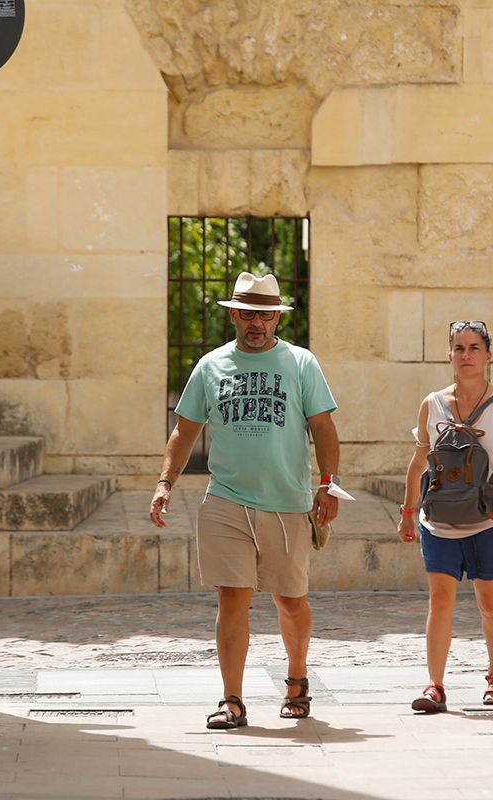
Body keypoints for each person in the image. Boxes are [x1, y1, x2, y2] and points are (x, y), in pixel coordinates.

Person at [149, 271, 341, 730]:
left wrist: (328, 484)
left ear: (277, 316)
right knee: (231, 599)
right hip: (226, 500)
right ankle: (231, 700)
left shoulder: (300, 363)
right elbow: (185, 429)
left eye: (265, 313)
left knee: (290, 599)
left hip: (287, 503)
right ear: (233, 314)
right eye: (248, 313)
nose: (257, 322)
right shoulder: (211, 365)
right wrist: (164, 482)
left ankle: (297, 681)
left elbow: (324, 428)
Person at [395, 320, 493, 713]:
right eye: (459, 348)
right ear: (449, 355)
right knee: (440, 601)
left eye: (474, 348)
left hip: (491, 518)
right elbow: (419, 460)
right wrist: (407, 512)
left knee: (489, 602)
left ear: (488, 355)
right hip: (439, 518)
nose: (466, 355)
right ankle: (435, 685)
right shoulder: (432, 403)